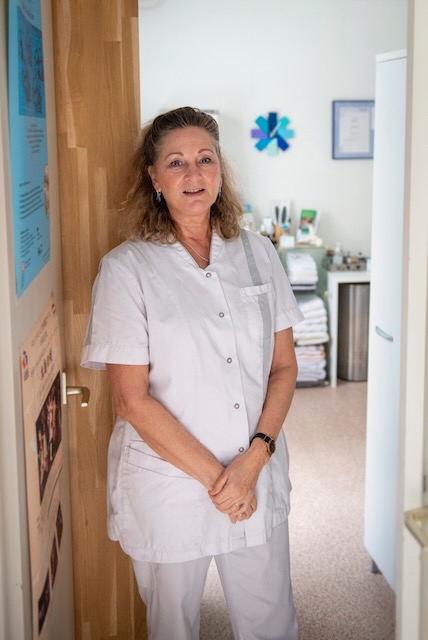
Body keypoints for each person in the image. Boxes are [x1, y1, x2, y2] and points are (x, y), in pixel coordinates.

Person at [81, 106, 303, 640]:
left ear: (220, 170)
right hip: (172, 488)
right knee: (173, 626)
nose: (193, 173)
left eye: (205, 159)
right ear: (154, 178)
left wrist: (253, 462)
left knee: (271, 620)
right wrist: (221, 481)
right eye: (176, 163)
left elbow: (284, 366)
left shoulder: (257, 254)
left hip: (255, 469)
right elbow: (132, 401)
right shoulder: (126, 268)